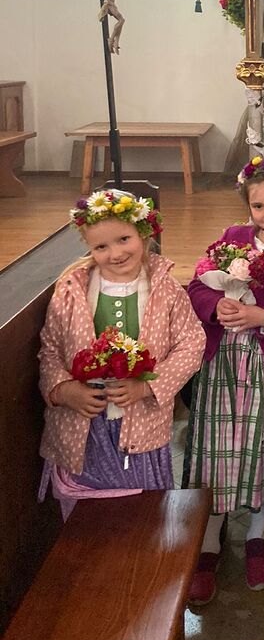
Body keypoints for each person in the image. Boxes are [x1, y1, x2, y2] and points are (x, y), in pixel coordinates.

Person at [183, 157, 264, 604]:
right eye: (258, 205)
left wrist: (262, 317)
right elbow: (197, 286)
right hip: (222, 365)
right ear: (248, 208)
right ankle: (209, 541)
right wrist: (214, 306)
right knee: (216, 450)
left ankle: (257, 536)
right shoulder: (232, 239)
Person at [38, 189, 205, 520]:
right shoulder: (71, 290)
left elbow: (191, 343)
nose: (115, 253)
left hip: (141, 426)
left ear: (143, 233)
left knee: (142, 514)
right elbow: (50, 349)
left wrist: (147, 386)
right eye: (101, 247)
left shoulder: (166, 289)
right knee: (91, 518)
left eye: (123, 239)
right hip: (84, 428)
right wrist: (63, 390)